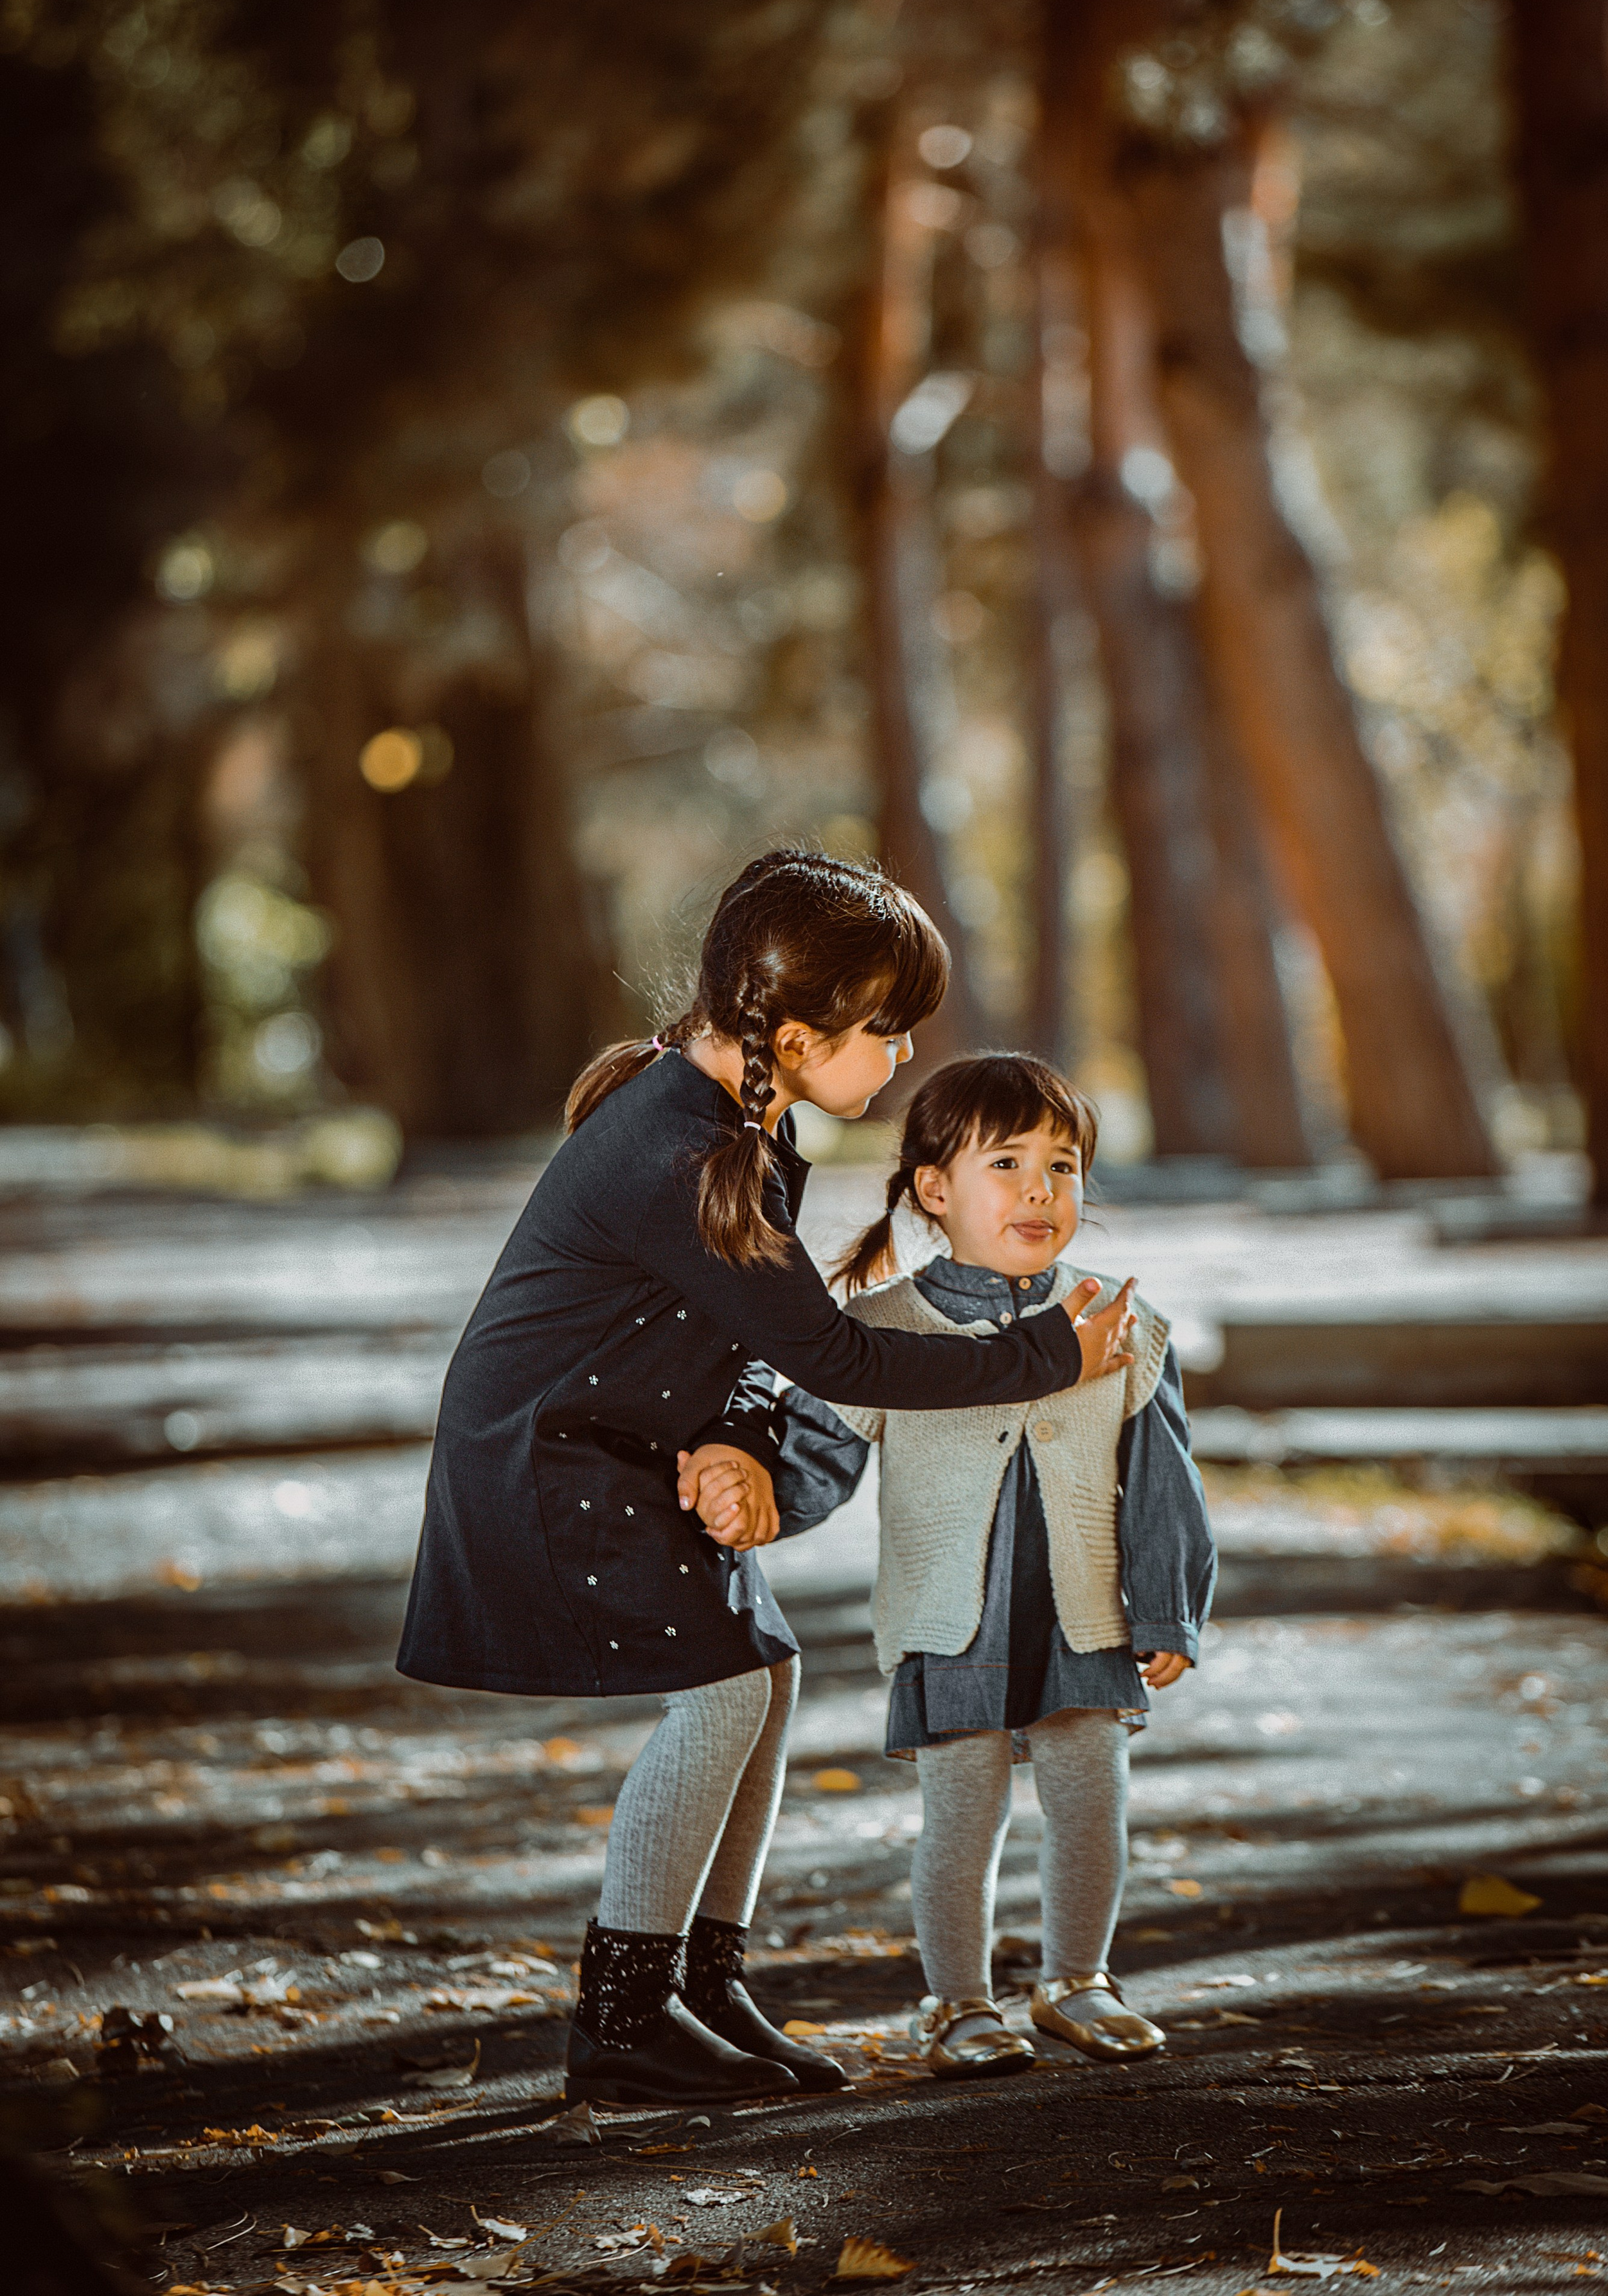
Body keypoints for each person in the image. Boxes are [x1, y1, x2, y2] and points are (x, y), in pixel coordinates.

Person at [395, 854, 1140, 2108]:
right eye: (886, 1029)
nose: (903, 1055)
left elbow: (750, 1340)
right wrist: (1045, 1355)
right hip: (548, 1458)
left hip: (618, 1440)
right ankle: (623, 2020)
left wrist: (741, 1440)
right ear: (795, 1038)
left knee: (765, 1669)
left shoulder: (745, 1121)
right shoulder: (681, 1151)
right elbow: (837, 1356)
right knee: (724, 1687)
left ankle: (701, 1979)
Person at [773, 1053, 1216, 2081]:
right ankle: (957, 2003)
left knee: (1092, 1800)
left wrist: (1167, 1608)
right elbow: (813, 1458)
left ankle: (1077, 1981)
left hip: (1082, 1615)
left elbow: (1165, 1478)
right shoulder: (881, 1329)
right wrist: (745, 1496)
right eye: (1006, 1163)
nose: (1039, 1190)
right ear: (935, 1189)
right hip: (951, 1619)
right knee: (962, 1815)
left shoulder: (1122, 1321)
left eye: (1062, 1166)